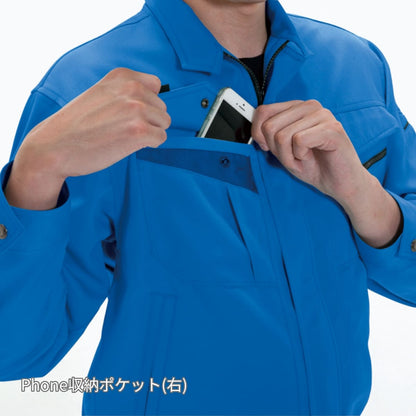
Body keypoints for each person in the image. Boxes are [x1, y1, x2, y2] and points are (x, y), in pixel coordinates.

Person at [0, 0, 415, 414]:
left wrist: (361, 194)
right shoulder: (88, 88)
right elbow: (13, 351)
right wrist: (35, 173)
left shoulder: (356, 66)